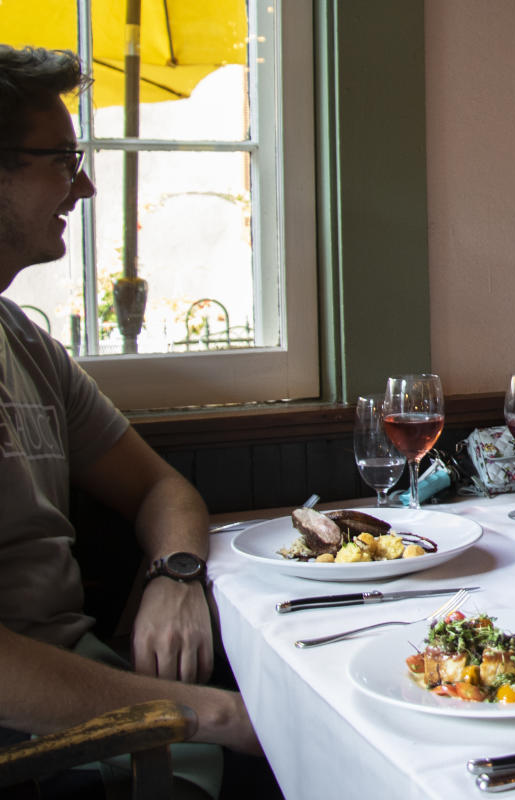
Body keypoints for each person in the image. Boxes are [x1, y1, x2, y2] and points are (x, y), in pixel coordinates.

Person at [0, 45, 261, 796]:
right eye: (61, 159)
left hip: (97, 693)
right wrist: (211, 716)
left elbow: (162, 490)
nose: (83, 184)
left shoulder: (22, 341)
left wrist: (175, 575)